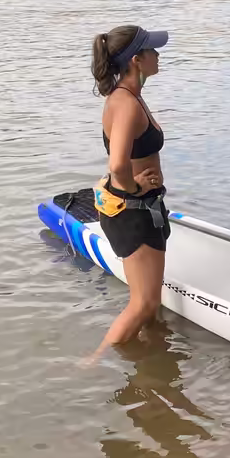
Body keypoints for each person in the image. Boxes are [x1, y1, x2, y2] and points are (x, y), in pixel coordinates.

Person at [89, 25, 171, 359]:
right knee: (143, 302)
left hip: (141, 208)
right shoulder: (125, 103)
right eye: (152, 50)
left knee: (150, 302)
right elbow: (118, 164)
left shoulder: (130, 94)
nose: (158, 55)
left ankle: (155, 361)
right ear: (137, 60)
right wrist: (136, 188)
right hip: (133, 212)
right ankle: (95, 360)